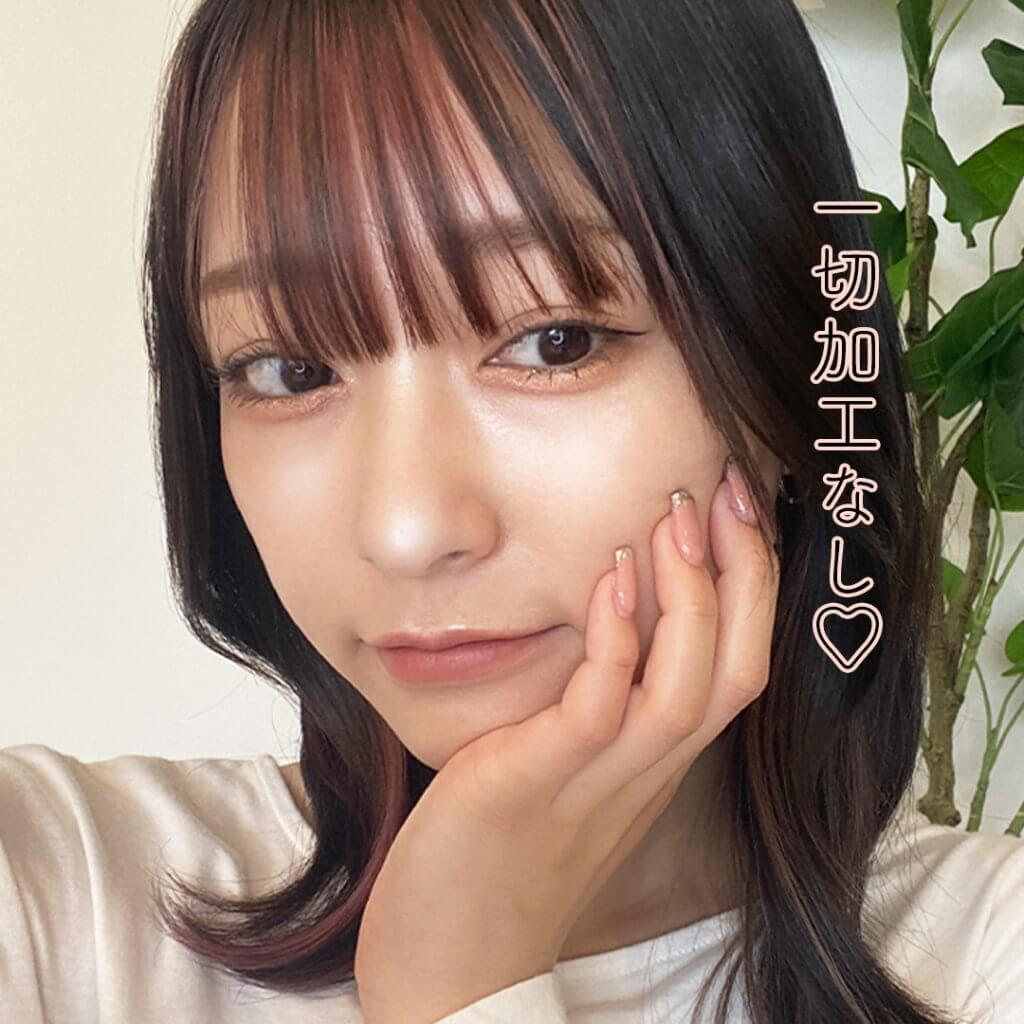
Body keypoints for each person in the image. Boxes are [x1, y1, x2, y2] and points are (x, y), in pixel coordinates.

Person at [2, 0, 1022, 1021]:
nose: (406, 529)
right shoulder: (56, 894)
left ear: (784, 376)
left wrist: (459, 984)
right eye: (290, 367)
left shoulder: (988, 957)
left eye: (554, 341)